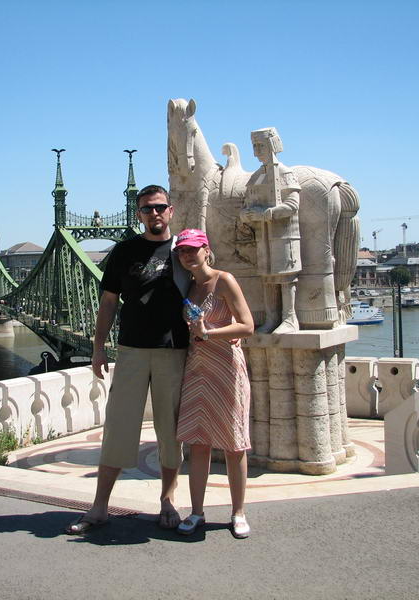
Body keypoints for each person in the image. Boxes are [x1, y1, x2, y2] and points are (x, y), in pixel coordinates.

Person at [66, 184, 191, 534]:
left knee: (170, 431)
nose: (154, 213)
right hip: (132, 350)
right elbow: (108, 302)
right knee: (119, 427)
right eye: (147, 209)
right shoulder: (124, 251)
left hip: (173, 350)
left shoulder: (184, 249)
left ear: (170, 210)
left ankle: (168, 501)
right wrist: (97, 347)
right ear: (138, 214)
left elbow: (208, 285)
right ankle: (99, 507)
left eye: (160, 207)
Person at [173, 228, 255, 538]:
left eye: (193, 249)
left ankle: (238, 512)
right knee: (198, 444)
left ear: (207, 250)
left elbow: (247, 326)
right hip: (197, 370)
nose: (187, 255)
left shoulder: (224, 281)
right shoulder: (188, 286)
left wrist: (209, 333)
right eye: (182, 250)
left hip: (227, 369)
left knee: (235, 445)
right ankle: (197, 512)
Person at [240, 127, 301, 334]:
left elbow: (292, 205)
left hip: (283, 235)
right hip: (262, 236)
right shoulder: (256, 176)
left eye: (260, 146)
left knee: (285, 276)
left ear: (271, 146)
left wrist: (266, 214)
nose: (256, 151)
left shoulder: (285, 172)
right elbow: (246, 205)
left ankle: (290, 318)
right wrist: (247, 215)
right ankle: (271, 318)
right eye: (254, 146)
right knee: (267, 277)